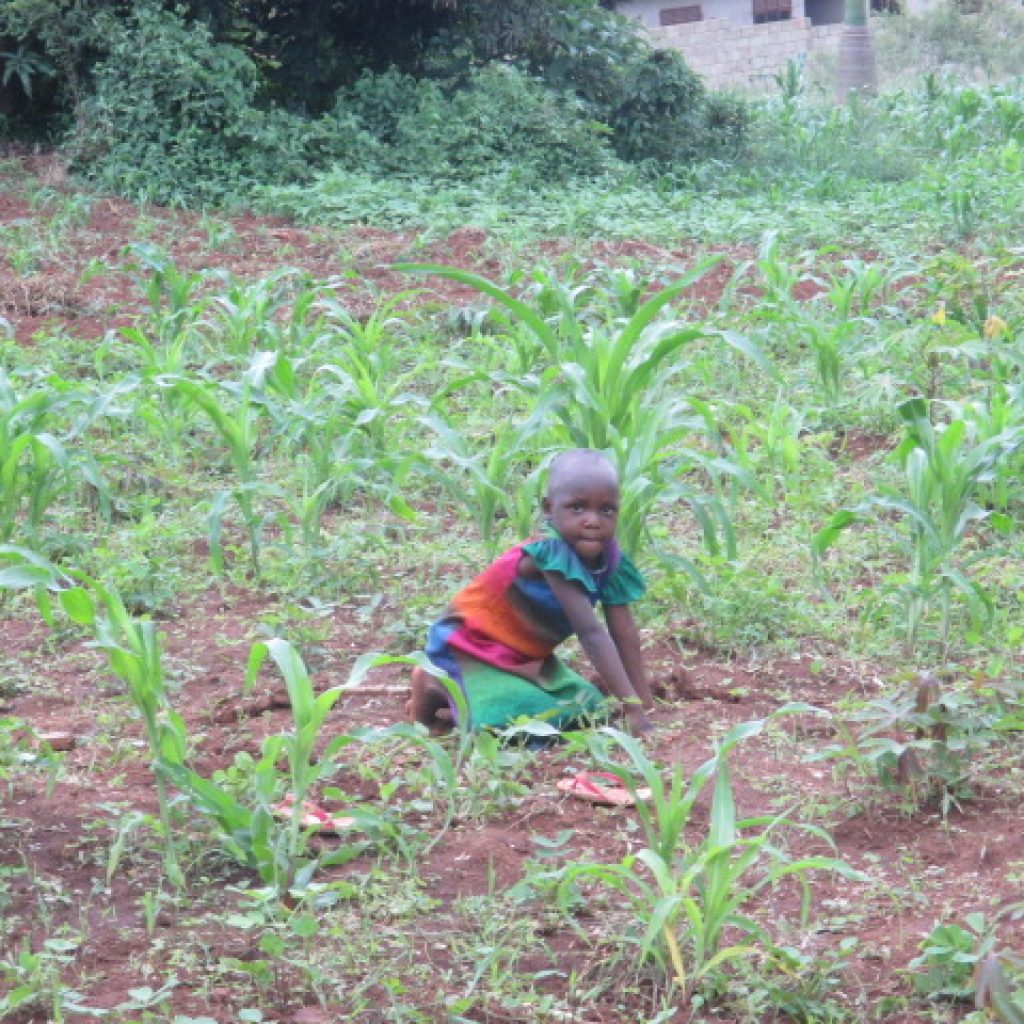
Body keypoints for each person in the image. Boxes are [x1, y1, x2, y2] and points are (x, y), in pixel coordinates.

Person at [408, 448, 654, 736]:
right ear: (549, 509)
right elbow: (591, 633)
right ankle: (432, 681)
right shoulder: (550, 554)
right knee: (512, 724)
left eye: (606, 510)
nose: (592, 520)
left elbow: (623, 630)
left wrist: (642, 701)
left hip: (524, 660)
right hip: (469, 647)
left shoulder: (610, 560)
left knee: (588, 710)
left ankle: (463, 705)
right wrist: (633, 710)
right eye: (577, 507)